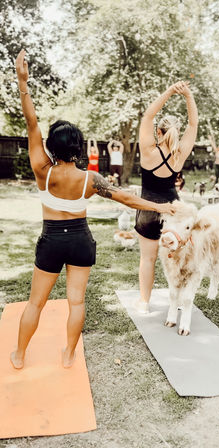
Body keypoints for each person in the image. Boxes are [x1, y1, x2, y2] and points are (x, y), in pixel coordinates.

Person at [11, 49, 177, 370]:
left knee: (36, 303)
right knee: (76, 302)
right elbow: (128, 199)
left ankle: (19, 355)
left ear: (52, 148)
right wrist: (162, 205)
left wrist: (23, 82)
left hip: (51, 242)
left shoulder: (41, 169)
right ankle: (69, 354)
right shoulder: (91, 179)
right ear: (77, 146)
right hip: (80, 242)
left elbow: (31, 122)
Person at [134, 80, 198, 312]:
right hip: (174, 212)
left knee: (148, 259)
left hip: (149, 210)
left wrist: (170, 91)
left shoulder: (149, 151)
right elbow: (193, 124)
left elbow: (147, 117)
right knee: (178, 258)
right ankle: (180, 301)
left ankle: (144, 303)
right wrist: (188, 96)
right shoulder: (178, 155)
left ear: (158, 132)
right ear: (175, 133)